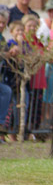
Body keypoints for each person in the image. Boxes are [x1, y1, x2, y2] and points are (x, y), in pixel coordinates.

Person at [0, 11, 13, 140]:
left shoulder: (2, 39)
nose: (1, 25)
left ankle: (1, 124)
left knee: (6, 91)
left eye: (3, 23)